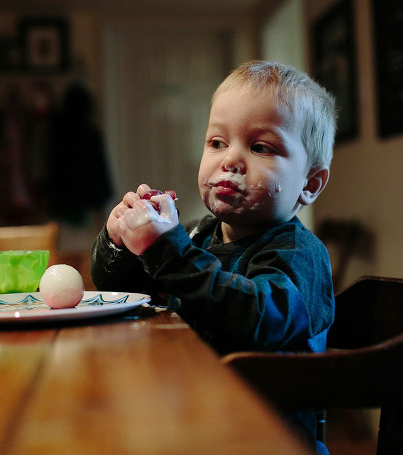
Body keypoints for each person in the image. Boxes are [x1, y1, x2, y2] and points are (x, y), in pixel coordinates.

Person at [90, 60, 337, 449]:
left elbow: (259, 318)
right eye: (217, 143)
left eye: (260, 147)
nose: (230, 160)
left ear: (309, 184)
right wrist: (118, 241)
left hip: (269, 436)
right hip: (195, 416)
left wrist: (168, 251)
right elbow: (119, 286)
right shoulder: (195, 235)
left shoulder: (298, 253)